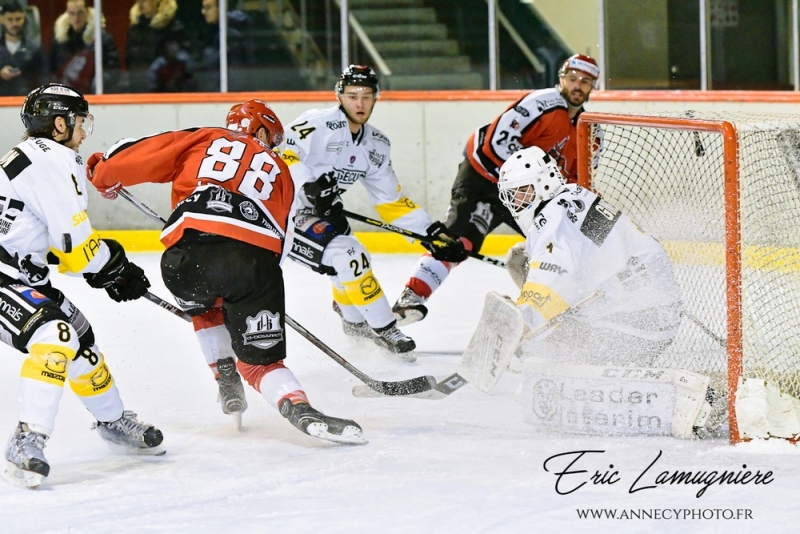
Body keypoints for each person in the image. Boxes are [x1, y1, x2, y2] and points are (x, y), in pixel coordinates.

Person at [87, 99, 366, 445]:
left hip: (186, 260)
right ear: (263, 131)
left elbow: (134, 156)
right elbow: (282, 242)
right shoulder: (281, 169)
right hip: (253, 263)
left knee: (205, 306)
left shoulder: (204, 137)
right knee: (260, 362)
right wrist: (258, 292)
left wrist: (103, 174)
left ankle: (223, 371)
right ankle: (298, 406)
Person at [0, 83, 165, 489]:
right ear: (60, 125)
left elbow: (50, 242)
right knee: (55, 336)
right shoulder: (54, 159)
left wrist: (104, 267)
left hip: (21, 274)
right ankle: (27, 439)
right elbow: (77, 250)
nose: (82, 131)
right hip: (5, 275)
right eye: (78, 122)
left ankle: (112, 422)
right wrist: (114, 267)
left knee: (79, 340)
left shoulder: (29, 157)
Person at [392, 54, 601, 326]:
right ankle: (411, 297)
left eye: (585, 81)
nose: (577, 85)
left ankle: (551, 311)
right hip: (484, 178)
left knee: (559, 246)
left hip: (527, 197)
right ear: (561, 78)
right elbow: (496, 142)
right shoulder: (543, 103)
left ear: (593, 86)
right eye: (572, 78)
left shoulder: (590, 130)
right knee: (458, 241)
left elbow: (578, 181)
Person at [280, 65, 462, 360]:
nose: (360, 103)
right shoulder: (317, 123)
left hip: (322, 215)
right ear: (339, 96)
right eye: (352, 95)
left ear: (376, 97)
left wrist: (429, 233)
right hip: (284, 214)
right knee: (350, 255)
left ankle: (354, 326)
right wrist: (310, 184)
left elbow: (390, 199)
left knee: (344, 263)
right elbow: (281, 153)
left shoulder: (376, 144)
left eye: (366, 96)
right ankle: (385, 328)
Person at [497, 145, 682, 369]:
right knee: (555, 326)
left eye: (522, 191)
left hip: (633, 326)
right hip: (660, 316)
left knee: (536, 351)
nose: (516, 202)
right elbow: (582, 265)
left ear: (544, 184)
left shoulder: (552, 218)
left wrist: (523, 322)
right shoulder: (576, 195)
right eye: (511, 195)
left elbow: (554, 275)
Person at [49, 0, 121, 94]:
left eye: (80, 13)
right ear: (67, 13)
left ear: (87, 12)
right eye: (72, 13)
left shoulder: (101, 38)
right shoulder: (59, 39)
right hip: (65, 95)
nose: (76, 18)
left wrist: (96, 84)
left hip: (93, 94)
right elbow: (51, 69)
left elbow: (113, 69)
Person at [124, 0, 187, 91]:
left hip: (163, 90)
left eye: (145, 0)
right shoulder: (134, 29)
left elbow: (179, 63)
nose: (140, 3)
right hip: (136, 87)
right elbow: (129, 58)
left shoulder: (172, 27)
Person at [0, 1, 46, 96]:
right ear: (1, 19)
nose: (15, 24)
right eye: (10, 19)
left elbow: (43, 78)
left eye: (18, 19)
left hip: (26, 99)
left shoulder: (35, 49)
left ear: (24, 18)